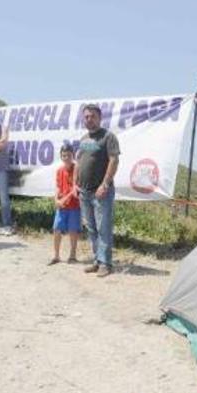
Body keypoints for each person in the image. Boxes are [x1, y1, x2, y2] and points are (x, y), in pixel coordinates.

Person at [75, 104, 120, 277]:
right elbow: (79, 163)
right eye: (86, 116)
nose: (89, 119)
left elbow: (114, 161)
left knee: (103, 228)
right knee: (92, 229)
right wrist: (76, 184)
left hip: (101, 191)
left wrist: (105, 184)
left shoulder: (108, 137)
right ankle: (97, 260)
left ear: (99, 118)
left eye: (92, 116)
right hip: (84, 192)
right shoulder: (84, 139)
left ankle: (106, 264)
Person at [49, 144, 80, 265]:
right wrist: (56, 199)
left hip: (74, 206)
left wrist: (63, 200)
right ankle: (56, 256)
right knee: (57, 229)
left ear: (73, 155)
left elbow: (75, 188)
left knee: (73, 230)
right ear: (61, 156)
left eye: (68, 155)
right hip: (62, 207)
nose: (66, 157)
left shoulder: (77, 168)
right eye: (64, 155)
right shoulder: (59, 170)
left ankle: (72, 255)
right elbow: (57, 187)